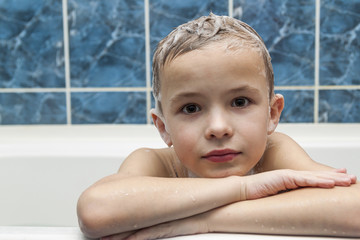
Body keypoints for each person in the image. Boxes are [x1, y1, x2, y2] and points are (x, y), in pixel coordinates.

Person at [77, 14, 359, 240]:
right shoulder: (155, 163)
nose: (218, 128)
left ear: (272, 113)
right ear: (163, 127)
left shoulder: (274, 152)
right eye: (191, 108)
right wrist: (244, 188)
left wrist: (205, 220)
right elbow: (96, 211)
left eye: (239, 101)